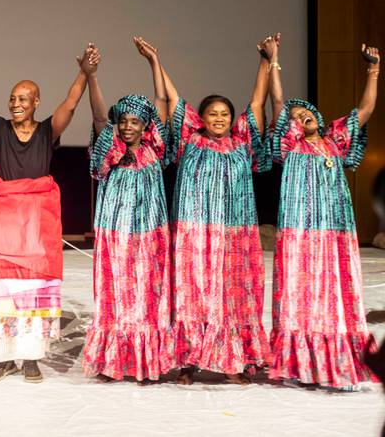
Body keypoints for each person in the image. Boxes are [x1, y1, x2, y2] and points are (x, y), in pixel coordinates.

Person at [0, 45, 93, 383]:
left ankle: (30, 358)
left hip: (36, 224)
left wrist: (86, 74)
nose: (15, 103)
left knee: (34, 292)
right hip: (4, 224)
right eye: (13, 98)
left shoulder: (46, 131)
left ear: (36, 103)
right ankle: (3, 358)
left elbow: (71, 103)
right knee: (3, 292)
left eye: (23, 99)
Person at [266, 34, 379, 391]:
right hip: (300, 231)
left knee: (334, 290)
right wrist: (274, 61)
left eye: (306, 113)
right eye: (296, 117)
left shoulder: (336, 141)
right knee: (301, 289)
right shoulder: (290, 146)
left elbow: (365, 111)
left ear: (318, 117)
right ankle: (302, 362)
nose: (301, 117)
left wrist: (374, 71)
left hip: (334, 231)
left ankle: (337, 360)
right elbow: (279, 102)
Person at [165, 37, 271, 385]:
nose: (220, 118)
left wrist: (266, 62)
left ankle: (234, 362)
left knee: (233, 295)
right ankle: (188, 362)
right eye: (213, 113)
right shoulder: (191, 140)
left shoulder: (242, 142)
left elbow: (257, 102)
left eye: (225, 114)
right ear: (203, 118)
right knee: (194, 292)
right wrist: (155, 60)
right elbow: (173, 99)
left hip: (234, 235)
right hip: (196, 235)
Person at [81, 38, 175, 382]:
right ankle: (113, 361)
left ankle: (146, 361)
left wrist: (154, 60)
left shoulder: (154, 146)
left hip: (149, 231)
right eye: (123, 120)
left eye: (135, 121)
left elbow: (162, 101)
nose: (128, 126)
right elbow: (97, 113)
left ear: (145, 125)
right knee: (117, 293)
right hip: (116, 232)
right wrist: (91, 77)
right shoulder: (110, 146)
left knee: (147, 294)